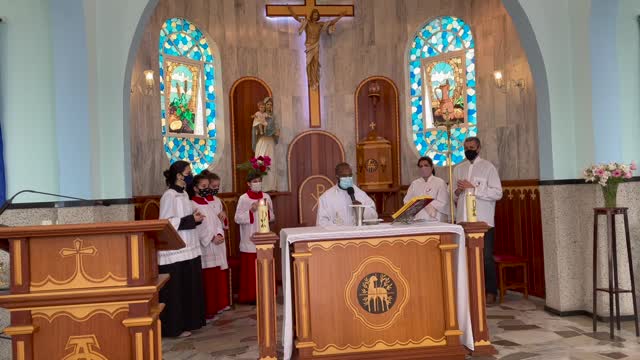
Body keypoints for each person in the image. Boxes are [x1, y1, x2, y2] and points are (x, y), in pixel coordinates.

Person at [158, 161, 206, 338]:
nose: (190, 175)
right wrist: (190, 219)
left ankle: (189, 322)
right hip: (175, 250)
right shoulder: (169, 196)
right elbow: (166, 222)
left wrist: (196, 218)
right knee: (176, 291)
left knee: (188, 287)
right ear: (179, 175)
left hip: (189, 246)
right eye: (188, 172)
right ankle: (174, 327)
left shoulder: (185, 194)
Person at [453, 137, 503, 304]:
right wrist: (458, 191)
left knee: (485, 256)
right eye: (466, 147)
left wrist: (474, 188)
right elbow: (451, 194)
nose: (469, 150)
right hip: (464, 220)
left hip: (483, 221)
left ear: (479, 148)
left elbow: (497, 193)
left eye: (472, 147)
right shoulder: (458, 169)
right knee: (465, 255)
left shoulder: (488, 168)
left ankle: (490, 291)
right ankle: (468, 290)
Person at [191, 174, 230, 320]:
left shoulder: (208, 203)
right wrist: (210, 238)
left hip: (216, 242)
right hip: (205, 245)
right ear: (195, 188)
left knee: (215, 276)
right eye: (203, 187)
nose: (207, 190)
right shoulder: (192, 204)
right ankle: (208, 309)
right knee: (207, 279)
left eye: (208, 186)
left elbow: (216, 221)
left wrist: (219, 234)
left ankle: (217, 306)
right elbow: (198, 226)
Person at [234, 172, 274, 303]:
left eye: (259, 180)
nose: (258, 183)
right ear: (248, 184)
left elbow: (272, 217)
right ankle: (250, 296)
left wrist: (267, 211)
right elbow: (237, 218)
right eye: (255, 181)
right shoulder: (243, 198)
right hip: (249, 238)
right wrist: (251, 210)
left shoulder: (266, 196)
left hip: (264, 236)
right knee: (251, 271)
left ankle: (266, 294)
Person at [287, 6, 345, 89]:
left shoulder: (320, 24)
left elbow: (331, 22)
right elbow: (297, 18)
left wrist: (340, 16)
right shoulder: (307, 23)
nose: (315, 16)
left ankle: (314, 80)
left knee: (315, 63)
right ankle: (310, 79)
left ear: (318, 16)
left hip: (316, 45)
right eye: (314, 15)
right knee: (308, 64)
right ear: (311, 15)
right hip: (309, 46)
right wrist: (290, 10)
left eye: (316, 15)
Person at [404, 156, 450, 222]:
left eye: (426, 165)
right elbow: (407, 201)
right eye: (421, 166)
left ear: (431, 167)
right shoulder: (414, 184)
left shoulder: (440, 182)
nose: (423, 168)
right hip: (417, 219)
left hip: (435, 219)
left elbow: (444, 203)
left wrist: (426, 202)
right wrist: (417, 203)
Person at [253, 97, 279, 192]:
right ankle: (260, 186)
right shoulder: (260, 115)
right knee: (260, 161)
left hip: (270, 141)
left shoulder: (273, 117)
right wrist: (258, 130)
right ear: (264, 105)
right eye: (267, 104)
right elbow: (255, 128)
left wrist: (275, 132)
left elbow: (276, 129)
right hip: (262, 141)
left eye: (270, 105)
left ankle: (271, 186)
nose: (269, 106)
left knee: (270, 163)